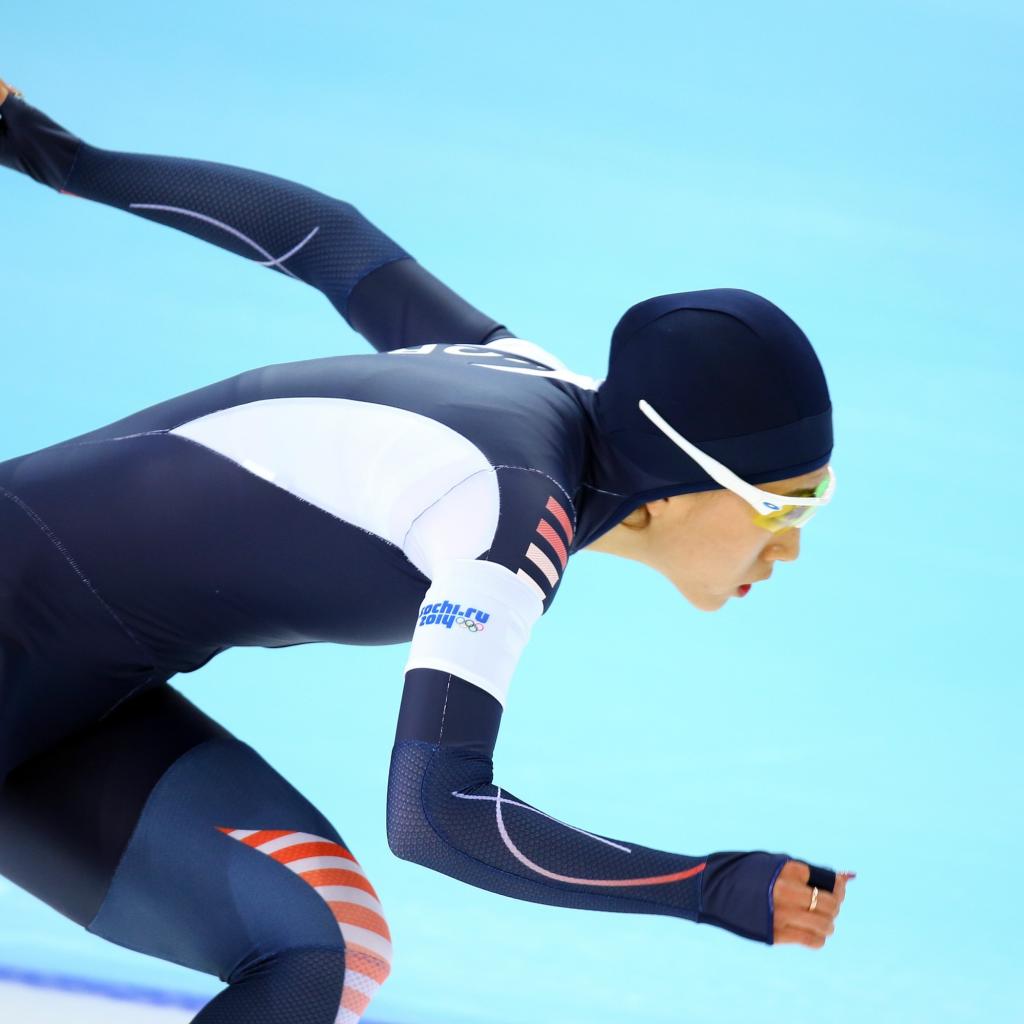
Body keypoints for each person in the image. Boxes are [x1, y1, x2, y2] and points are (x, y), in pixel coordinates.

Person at [0, 79, 853, 1024]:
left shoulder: (528, 377)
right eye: (786, 508)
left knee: (317, 949)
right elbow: (436, 814)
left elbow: (329, 239)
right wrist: (705, 887)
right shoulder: (511, 513)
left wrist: (49, 150)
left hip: (74, 696)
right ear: (676, 491)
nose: (792, 548)